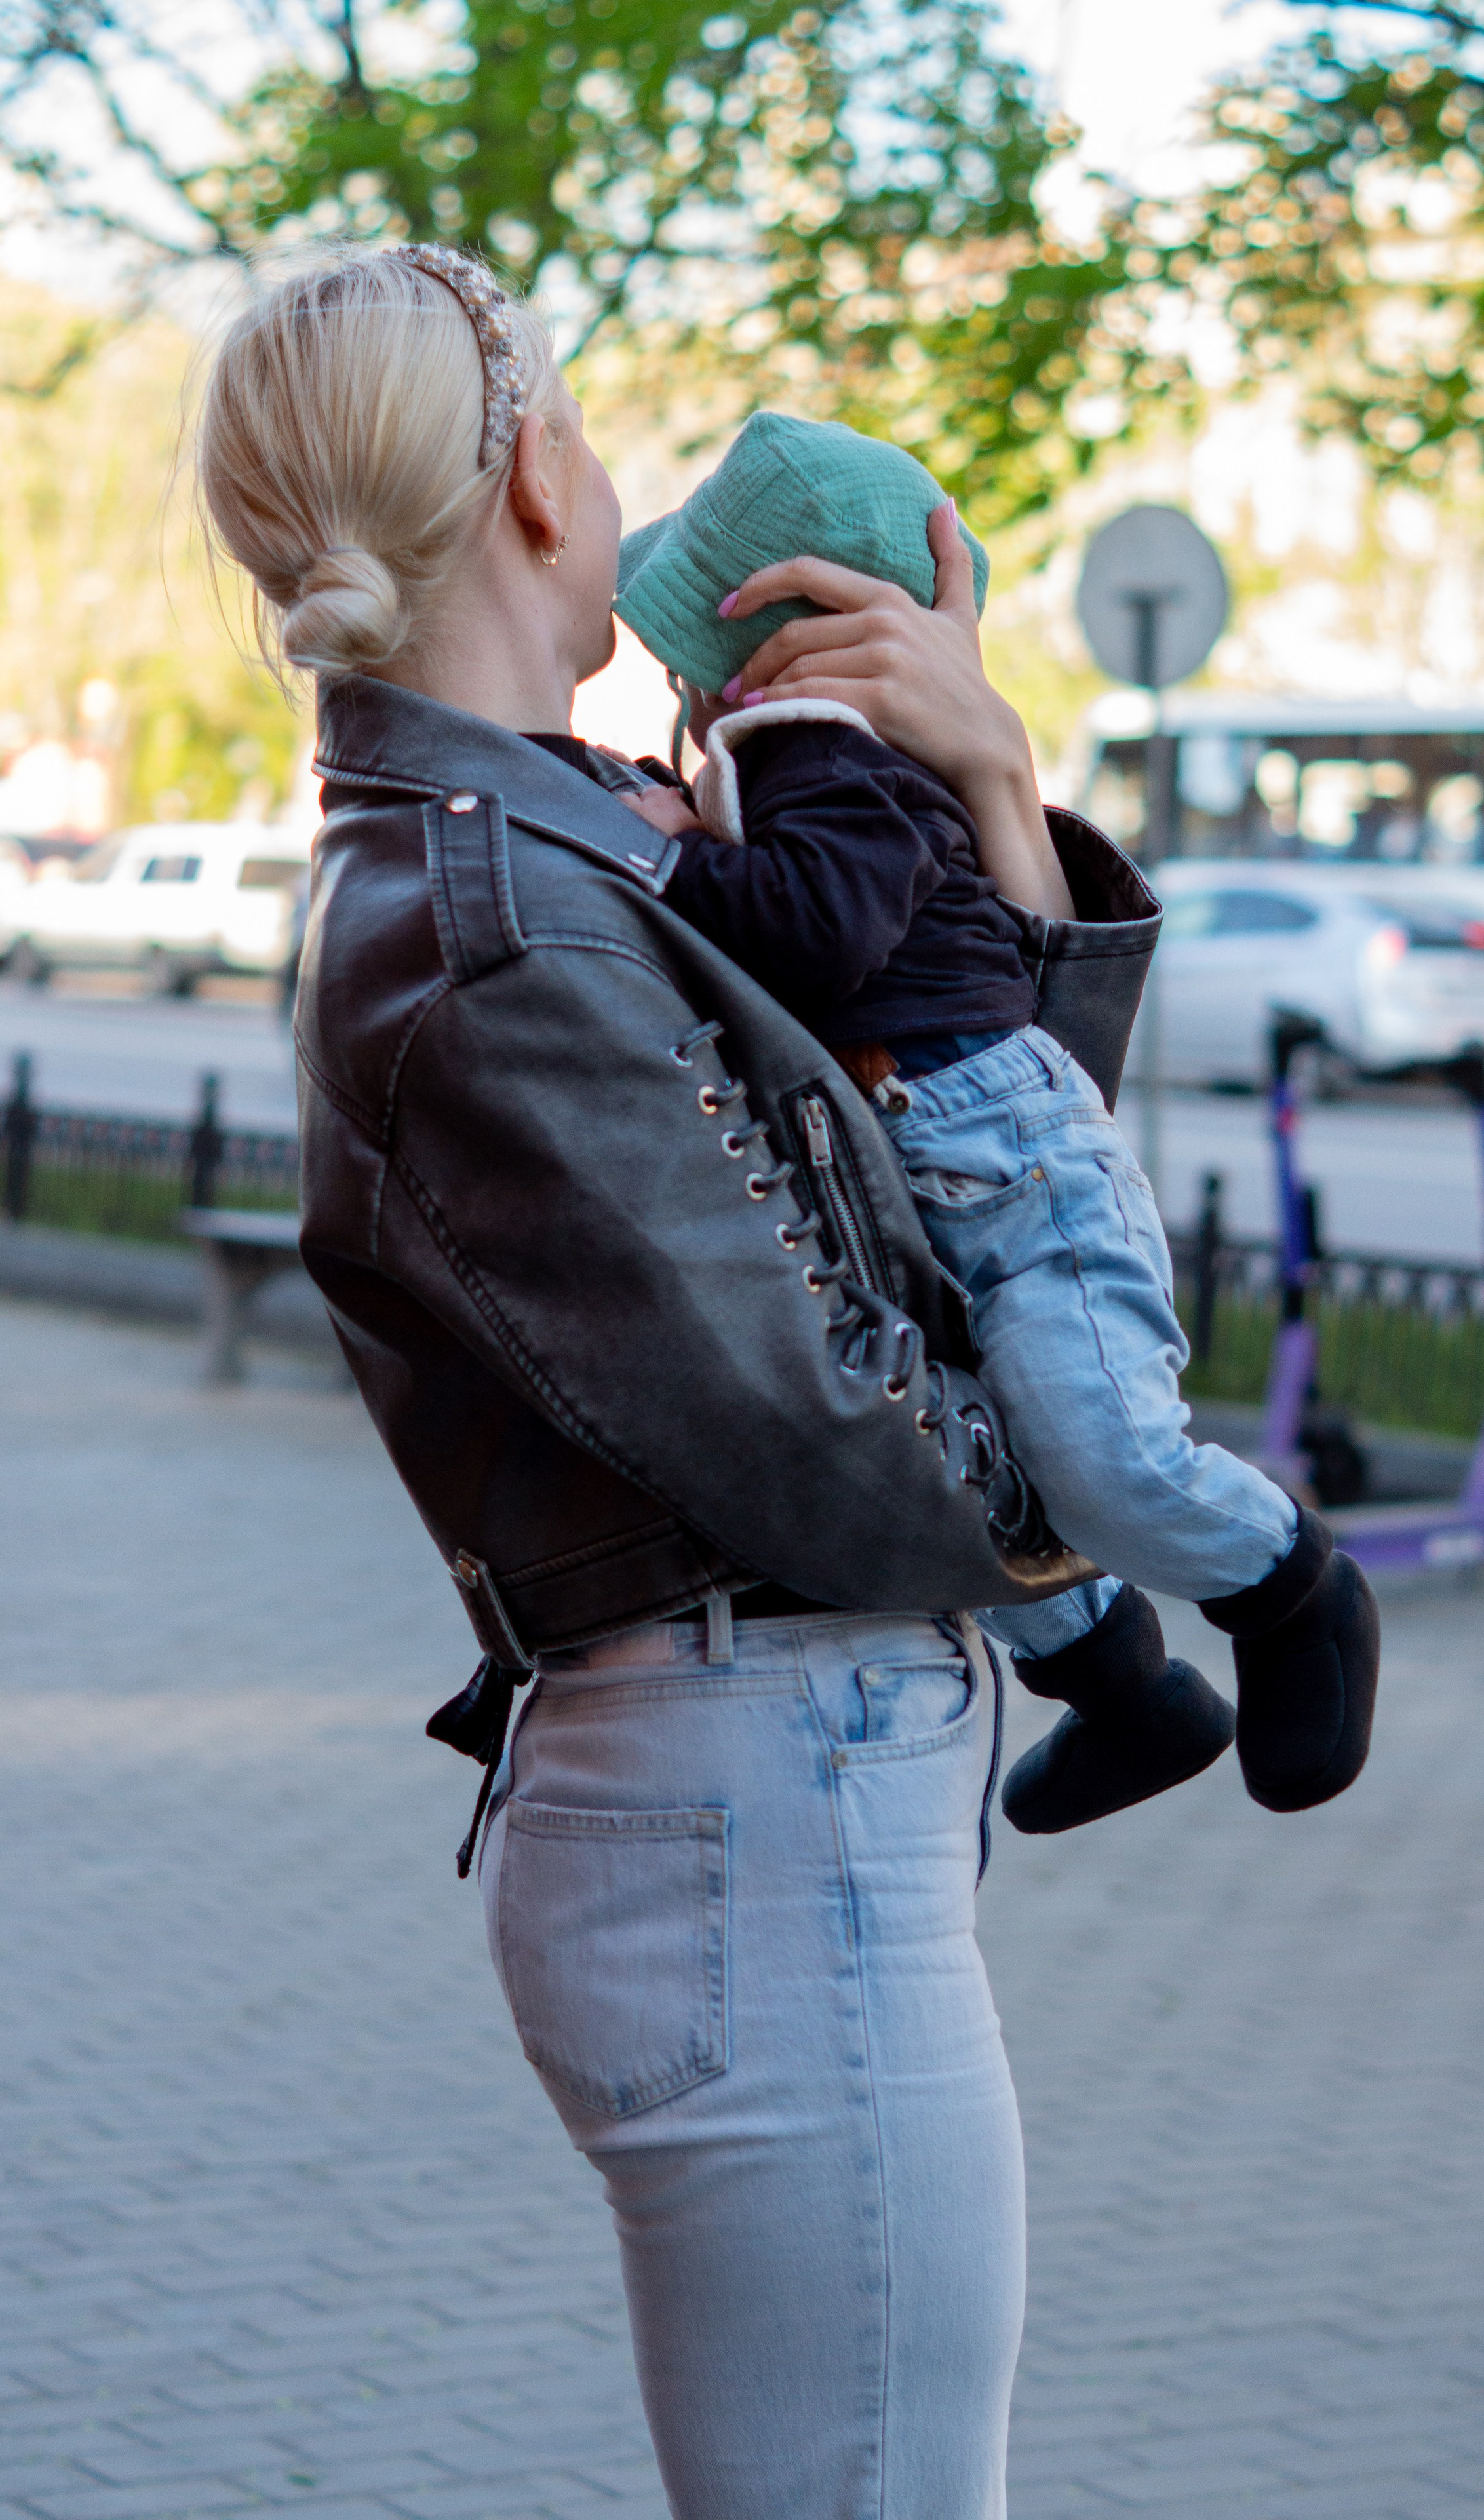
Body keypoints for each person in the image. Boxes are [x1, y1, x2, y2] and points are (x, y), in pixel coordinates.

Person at [193, 239, 1378, 2520]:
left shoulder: (577, 827)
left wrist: (997, 798)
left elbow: (944, 1173)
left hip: (780, 1778)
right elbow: (827, 1418)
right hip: (757, 1787)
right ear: (541, 474)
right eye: (595, 421)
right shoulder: (498, 909)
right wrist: (1100, 1504)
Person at [609, 410, 1378, 1831]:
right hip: (928, 1160)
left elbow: (818, 929)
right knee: (951, 1465)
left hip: (1002, 1157)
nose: (677, 692)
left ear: (766, 647)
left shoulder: (817, 748)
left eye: (683, 656)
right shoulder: (808, 761)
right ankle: (1123, 1688)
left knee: (1098, 1459)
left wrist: (675, 869)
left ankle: (1286, 1586)